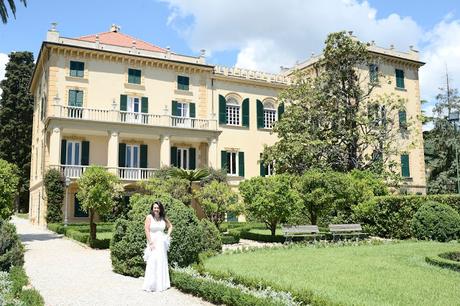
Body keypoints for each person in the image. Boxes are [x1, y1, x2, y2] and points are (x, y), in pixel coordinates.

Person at [142, 200, 173, 292]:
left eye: (158, 208)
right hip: (153, 242)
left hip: (161, 243)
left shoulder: (163, 218)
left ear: (160, 209)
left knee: (161, 261)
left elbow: (170, 226)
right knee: (153, 261)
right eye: (155, 207)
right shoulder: (149, 217)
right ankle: (151, 285)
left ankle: (161, 284)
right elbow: (146, 230)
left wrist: (167, 236)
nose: (156, 209)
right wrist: (150, 242)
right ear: (152, 208)